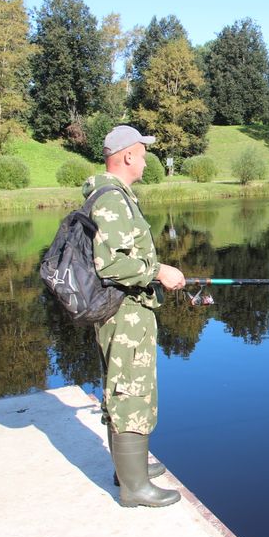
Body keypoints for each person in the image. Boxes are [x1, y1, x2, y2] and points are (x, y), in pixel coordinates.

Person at [83, 125, 185, 508]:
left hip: (127, 309)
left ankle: (130, 469)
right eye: (142, 153)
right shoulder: (111, 199)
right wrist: (160, 272)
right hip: (123, 312)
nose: (145, 160)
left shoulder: (115, 195)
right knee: (130, 391)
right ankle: (134, 489)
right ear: (127, 155)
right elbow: (109, 264)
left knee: (122, 386)